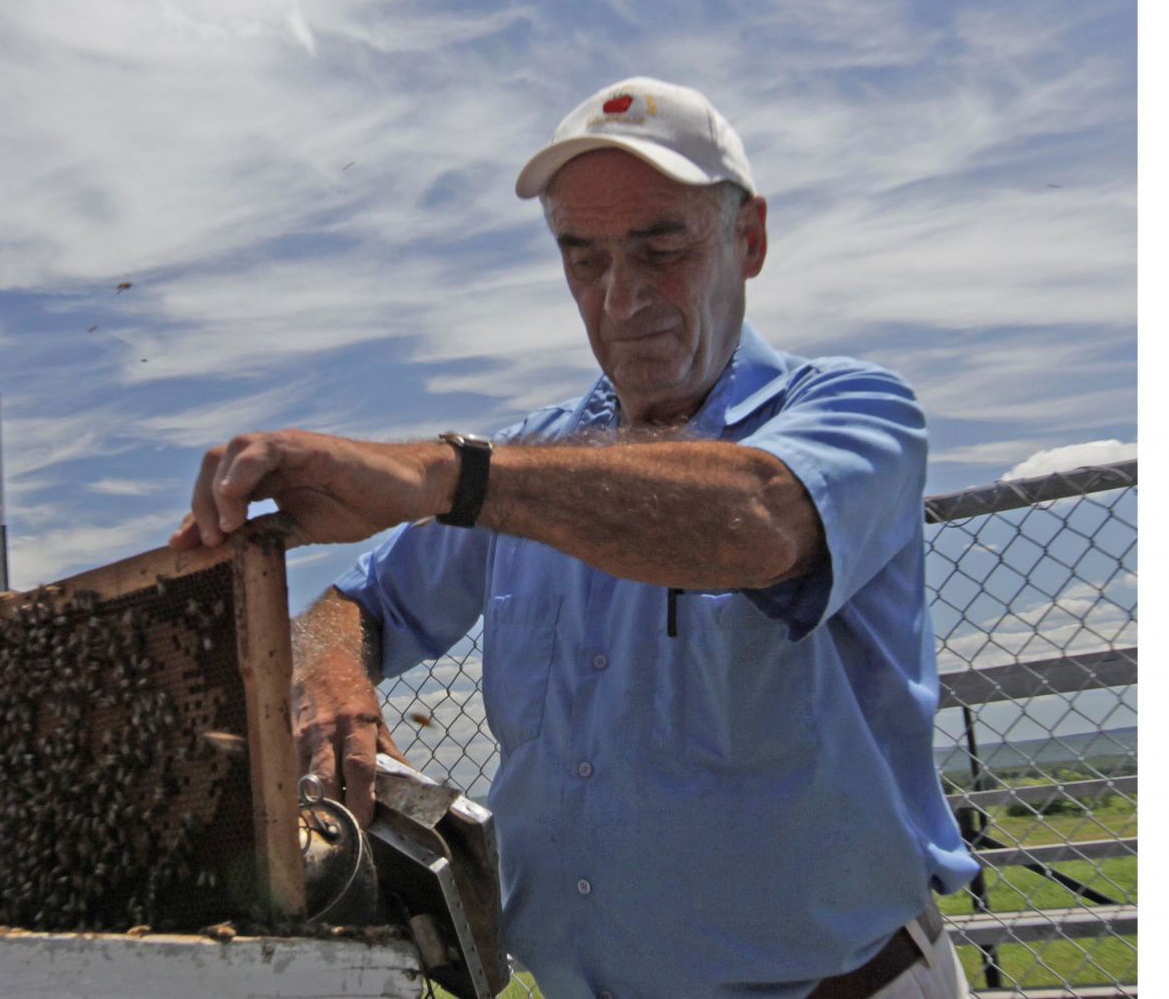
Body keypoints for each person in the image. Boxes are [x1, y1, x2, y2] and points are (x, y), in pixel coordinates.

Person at [169, 78, 979, 999]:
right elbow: (355, 605)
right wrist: (330, 678)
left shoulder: (851, 412)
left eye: (661, 245)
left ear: (748, 238)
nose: (622, 296)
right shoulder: (529, 462)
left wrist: (443, 476)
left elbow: (757, 519)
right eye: (582, 257)